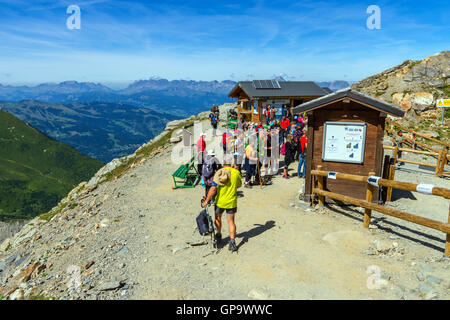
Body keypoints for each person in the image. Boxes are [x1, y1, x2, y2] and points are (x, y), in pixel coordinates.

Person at [202, 155, 242, 252]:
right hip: (231, 201)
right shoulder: (236, 173)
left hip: (220, 201)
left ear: (223, 163)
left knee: (218, 218)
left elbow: (213, 189)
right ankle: (232, 241)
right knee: (231, 221)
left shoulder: (219, 173)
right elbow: (239, 185)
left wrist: (206, 201)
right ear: (231, 163)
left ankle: (219, 235)